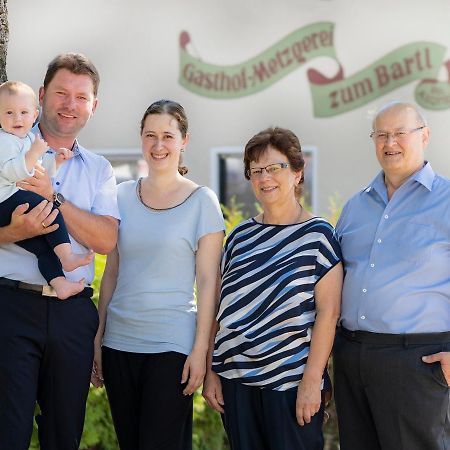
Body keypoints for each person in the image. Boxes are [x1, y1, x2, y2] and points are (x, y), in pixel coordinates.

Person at [0, 53, 119, 450]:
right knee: (7, 432)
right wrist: (11, 232)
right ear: (41, 96)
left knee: (63, 435)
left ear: (93, 106)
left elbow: (105, 239)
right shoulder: (4, 148)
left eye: (81, 97)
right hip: (10, 307)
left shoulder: (100, 169)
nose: (70, 104)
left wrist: (55, 196)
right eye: (61, 93)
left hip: (72, 317)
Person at [91, 99, 225, 450]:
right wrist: (99, 336)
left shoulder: (202, 201)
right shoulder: (119, 196)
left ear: (184, 140)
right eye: (150, 135)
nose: (158, 145)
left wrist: (202, 350)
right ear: (141, 139)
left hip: (172, 346)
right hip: (119, 343)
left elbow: (210, 282)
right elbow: (112, 272)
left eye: (168, 135)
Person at [203, 127, 343, 450]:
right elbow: (219, 310)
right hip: (236, 384)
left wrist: (312, 381)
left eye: (275, 168)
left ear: (297, 172)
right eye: (256, 170)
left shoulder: (319, 237)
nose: (264, 177)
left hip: (290, 386)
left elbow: (329, 312)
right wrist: (213, 371)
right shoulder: (239, 238)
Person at [334, 101, 450, 450]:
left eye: (401, 133)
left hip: (418, 360)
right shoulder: (355, 206)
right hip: (352, 357)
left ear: (424, 135)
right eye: (381, 134)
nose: (390, 143)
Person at [0, 80, 94, 299]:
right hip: (5, 201)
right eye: (9, 113)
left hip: (16, 200)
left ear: (35, 115)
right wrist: (34, 153)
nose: (17, 119)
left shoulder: (30, 139)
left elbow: (40, 172)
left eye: (24, 112)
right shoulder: (4, 141)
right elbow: (13, 172)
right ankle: (68, 256)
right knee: (50, 208)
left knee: (43, 247)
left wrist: (57, 162)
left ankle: (59, 283)